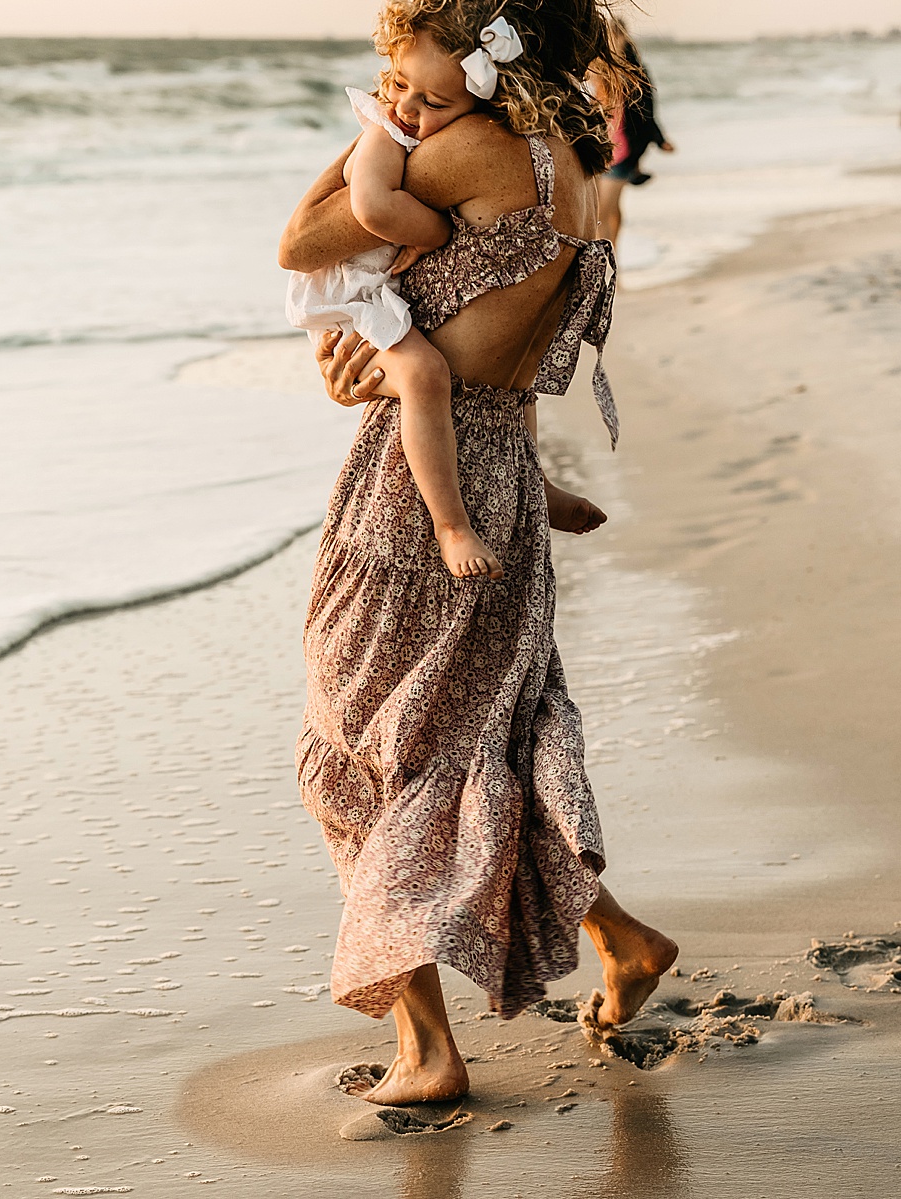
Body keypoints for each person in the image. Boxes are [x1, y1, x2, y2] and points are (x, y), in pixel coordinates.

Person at [276, 0, 679, 1107]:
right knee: (473, 746)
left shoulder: (461, 148)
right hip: (497, 472)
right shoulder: (589, 181)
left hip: (415, 490)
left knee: (365, 752)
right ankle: (627, 938)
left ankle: (429, 1051)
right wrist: (531, 486)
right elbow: (516, 347)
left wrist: (382, 130)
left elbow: (302, 243)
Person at [286, 86, 502, 580]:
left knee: (504, 373)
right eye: (399, 85)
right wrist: (437, 233)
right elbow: (373, 211)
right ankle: (451, 525)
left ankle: (540, 483)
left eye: (434, 102)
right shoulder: (386, 135)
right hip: (351, 299)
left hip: (378, 290)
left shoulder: (449, 141)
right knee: (425, 374)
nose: (407, 107)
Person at [593, 19, 675, 244]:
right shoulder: (595, 68)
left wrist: (660, 139)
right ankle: (614, 257)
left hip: (622, 152)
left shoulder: (634, 68)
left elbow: (647, 108)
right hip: (599, 150)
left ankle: (608, 265)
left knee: (599, 214)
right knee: (609, 208)